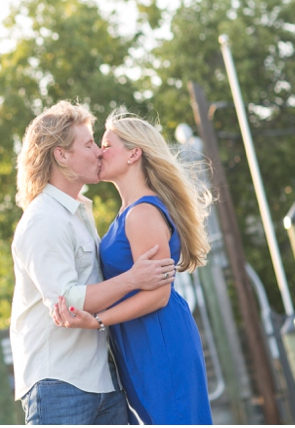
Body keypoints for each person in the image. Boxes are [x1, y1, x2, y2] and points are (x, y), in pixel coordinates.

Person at [10, 101, 177, 425]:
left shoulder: (77, 212)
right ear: (61, 155)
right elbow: (68, 302)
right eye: (88, 144)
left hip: (103, 380)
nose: (98, 152)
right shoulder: (43, 220)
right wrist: (133, 278)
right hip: (59, 384)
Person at [53, 108, 213, 424]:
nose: (99, 151)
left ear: (133, 154)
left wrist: (98, 321)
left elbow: (158, 296)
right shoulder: (127, 213)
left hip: (159, 338)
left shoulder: (142, 213)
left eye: (107, 144)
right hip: (137, 339)